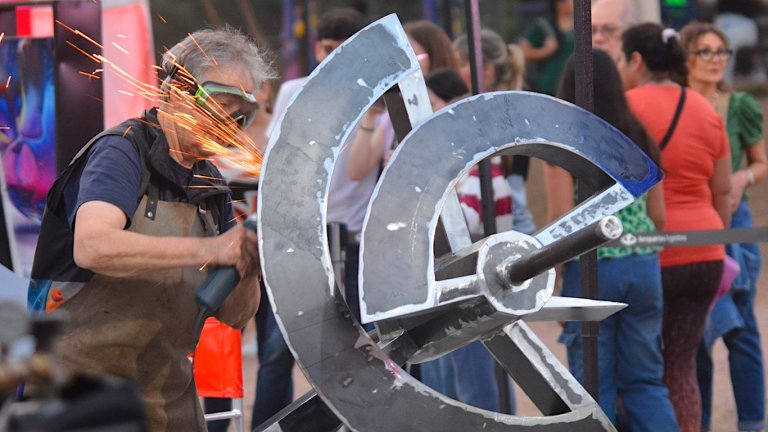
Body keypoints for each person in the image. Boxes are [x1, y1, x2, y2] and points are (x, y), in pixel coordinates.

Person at [27, 27, 269, 431]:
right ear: (176, 91)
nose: (226, 126)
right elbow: (93, 246)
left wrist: (250, 265)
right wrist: (213, 251)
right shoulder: (121, 152)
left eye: (236, 116)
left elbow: (234, 314)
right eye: (219, 107)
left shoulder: (211, 187)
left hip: (166, 397)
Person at [548, 48, 678, 431]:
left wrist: (553, 278)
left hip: (590, 267)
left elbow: (560, 221)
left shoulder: (560, 142)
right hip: (642, 262)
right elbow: (659, 217)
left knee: (593, 386)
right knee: (645, 381)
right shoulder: (638, 134)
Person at [255, 8, 370, 429]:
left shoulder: (374, 98)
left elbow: (361, 170)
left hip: (356, 237)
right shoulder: (294, 91)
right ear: (318, 48)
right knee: (277, 349)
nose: (333, 57)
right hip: (299, 236)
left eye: (343, 49)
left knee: (360, 346)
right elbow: (278, 160)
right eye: (327, 48)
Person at [620, 23, 732, 432]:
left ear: (635, 60)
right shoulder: (706, 109)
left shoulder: (624, 108)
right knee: (682, 366)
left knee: (639, 369)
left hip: (651, 250)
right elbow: (723, 192)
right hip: (705, 250)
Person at [680, 22, 767, 432]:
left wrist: (741, 178)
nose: (716, 60)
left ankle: (751, 423)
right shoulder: (677, 105)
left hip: (736, 223)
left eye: (722, 52)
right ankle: (700, 422)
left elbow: (760, 162)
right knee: (696, 331)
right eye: (706, 52)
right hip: (693, 223)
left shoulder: (740, 105)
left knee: (743, 329)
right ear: (686, 58)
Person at [454, 29, 536, 236]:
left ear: (487, 70)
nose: (457, 72)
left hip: (506, 227)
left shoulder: (493, 115)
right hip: (510, 224)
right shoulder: (513, 108)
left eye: (462, 65)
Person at [520, 0, 574, 96]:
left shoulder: (585, 26)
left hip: (574, 88)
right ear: (559, 4)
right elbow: (523, 51)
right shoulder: (545, 26)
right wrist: (544, 51)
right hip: (549, 88)